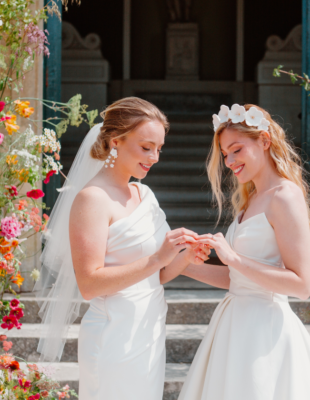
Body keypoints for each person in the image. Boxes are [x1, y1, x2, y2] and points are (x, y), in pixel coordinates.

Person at [35, 97, 209, 400]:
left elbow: (160, 274)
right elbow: (89, 284)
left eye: (159, 148)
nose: (155, 157)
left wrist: (185, 257)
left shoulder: (145, 195)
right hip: (112, 337)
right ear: (115, 141)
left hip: (150, 332)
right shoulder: (92, 199)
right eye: (146, 147)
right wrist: (157, 257)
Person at [178, 104, 310, 400]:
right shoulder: (250, 199)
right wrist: (180, 263)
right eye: (225, 154)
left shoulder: (285, 195)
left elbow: (303, 285)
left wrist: (234, 258)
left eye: (237, 150)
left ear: (264, 141)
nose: (229, 161)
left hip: (264, 333)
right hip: (232, 327)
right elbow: (237, 279)